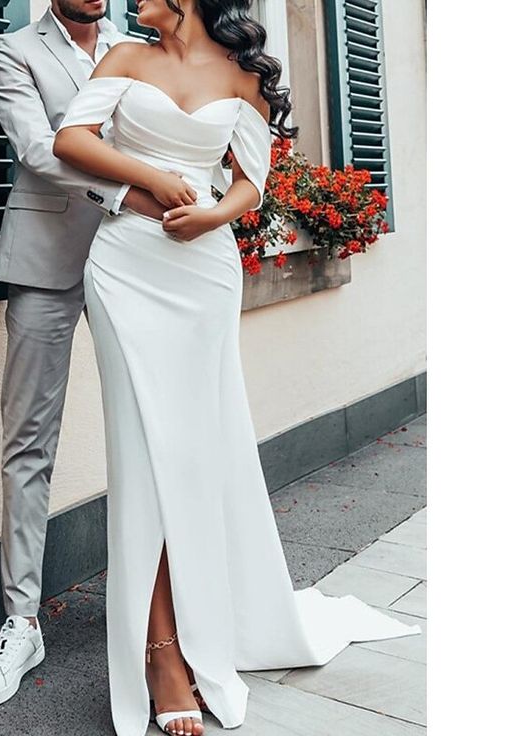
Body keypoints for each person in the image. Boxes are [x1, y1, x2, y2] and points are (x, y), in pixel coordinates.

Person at [52, 1, 421, 735]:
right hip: (126, 264)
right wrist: (151, 180)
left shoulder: (245, 76)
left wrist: (217, 216)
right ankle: (161, 653)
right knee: (144, 454)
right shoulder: (123, 59)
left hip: (204, 274)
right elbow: (70, 141)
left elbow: (252, 182)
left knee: (190, 454)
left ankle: (192, 628)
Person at [0, 0, 164, 708]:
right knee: (28, 444)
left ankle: (163, 617)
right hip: (46, 261)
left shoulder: (142, 47)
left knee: (156, 431)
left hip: (140, 262)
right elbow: (36, 146)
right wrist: (132, 192)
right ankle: (22, 622)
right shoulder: (13, 49)